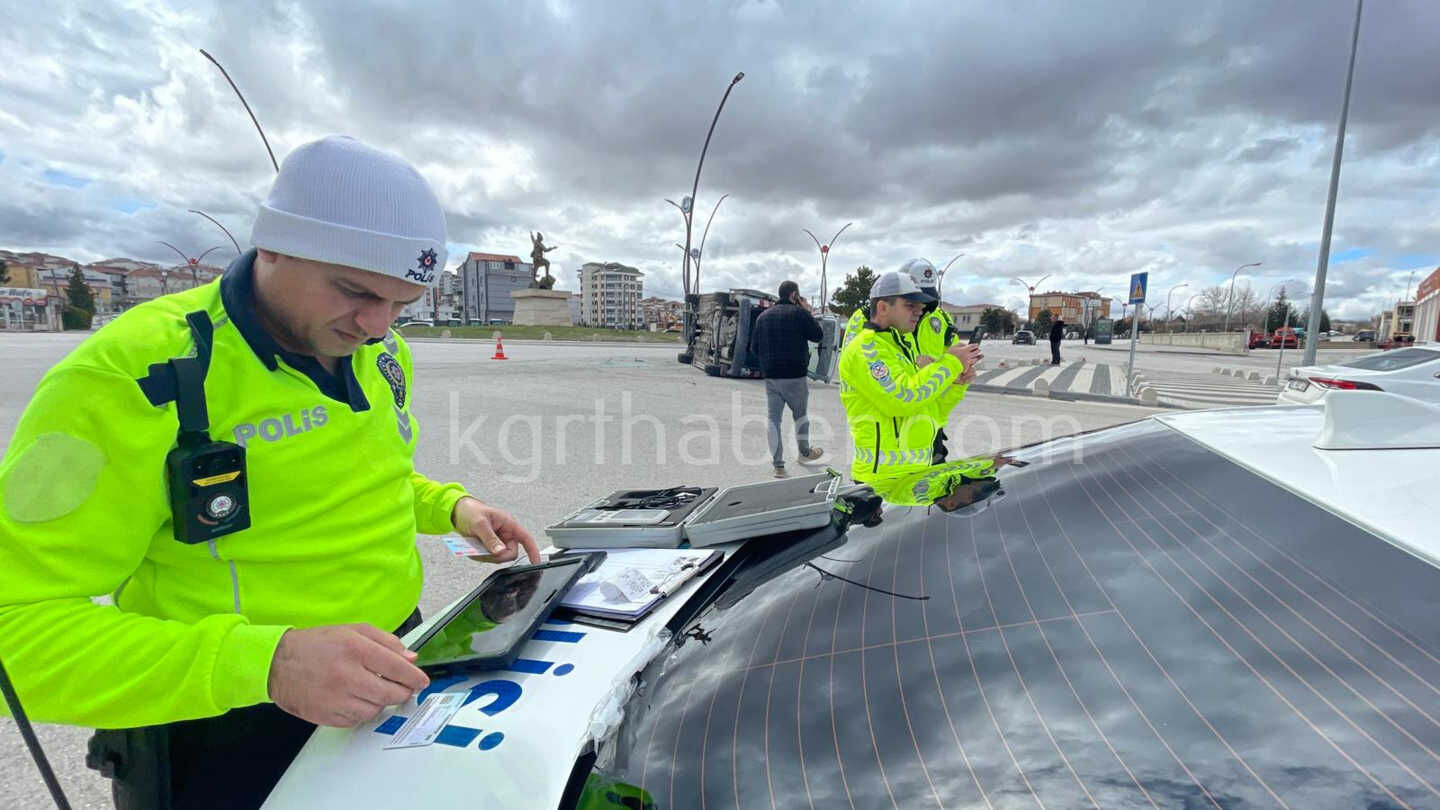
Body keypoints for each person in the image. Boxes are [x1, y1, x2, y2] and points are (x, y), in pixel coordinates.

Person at [0, 135, 539, 810]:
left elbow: (353, 478)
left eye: (401, 305)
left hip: (393, 674)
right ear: (273, 245)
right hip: (226, 728)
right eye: (354, 291)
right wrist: (267, 664)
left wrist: (452, 507)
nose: (376, 326)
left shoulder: (379, 351)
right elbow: (14, 627)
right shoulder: (127, 376)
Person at [837, 271, 981, 483]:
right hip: (882, 482)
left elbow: (932, 412)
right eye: (910, 305)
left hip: (916, 476)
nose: (919, 311)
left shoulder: (899, 348)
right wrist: (950, 363)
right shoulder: (866, 348)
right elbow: (903, 400)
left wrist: (955, 385)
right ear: (883, 307)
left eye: (920, 307)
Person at [753, 280, 824, 477]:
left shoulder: (763, 317)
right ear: (794, 295)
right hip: (795, 376)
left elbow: (754, 348)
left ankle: (779, 466)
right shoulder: (800, 314)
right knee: (800, 416)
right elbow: (818, 335)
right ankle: (804, 453)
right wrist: (808, 311)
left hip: (772, 377)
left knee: (773, 420)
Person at [897, 258, 964, 463]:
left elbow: (955, 355)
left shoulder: (941, 319)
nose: (922, 305)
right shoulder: (880, 322)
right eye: (914, 300)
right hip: (894, 419)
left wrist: (958, 366)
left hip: (930, 415)